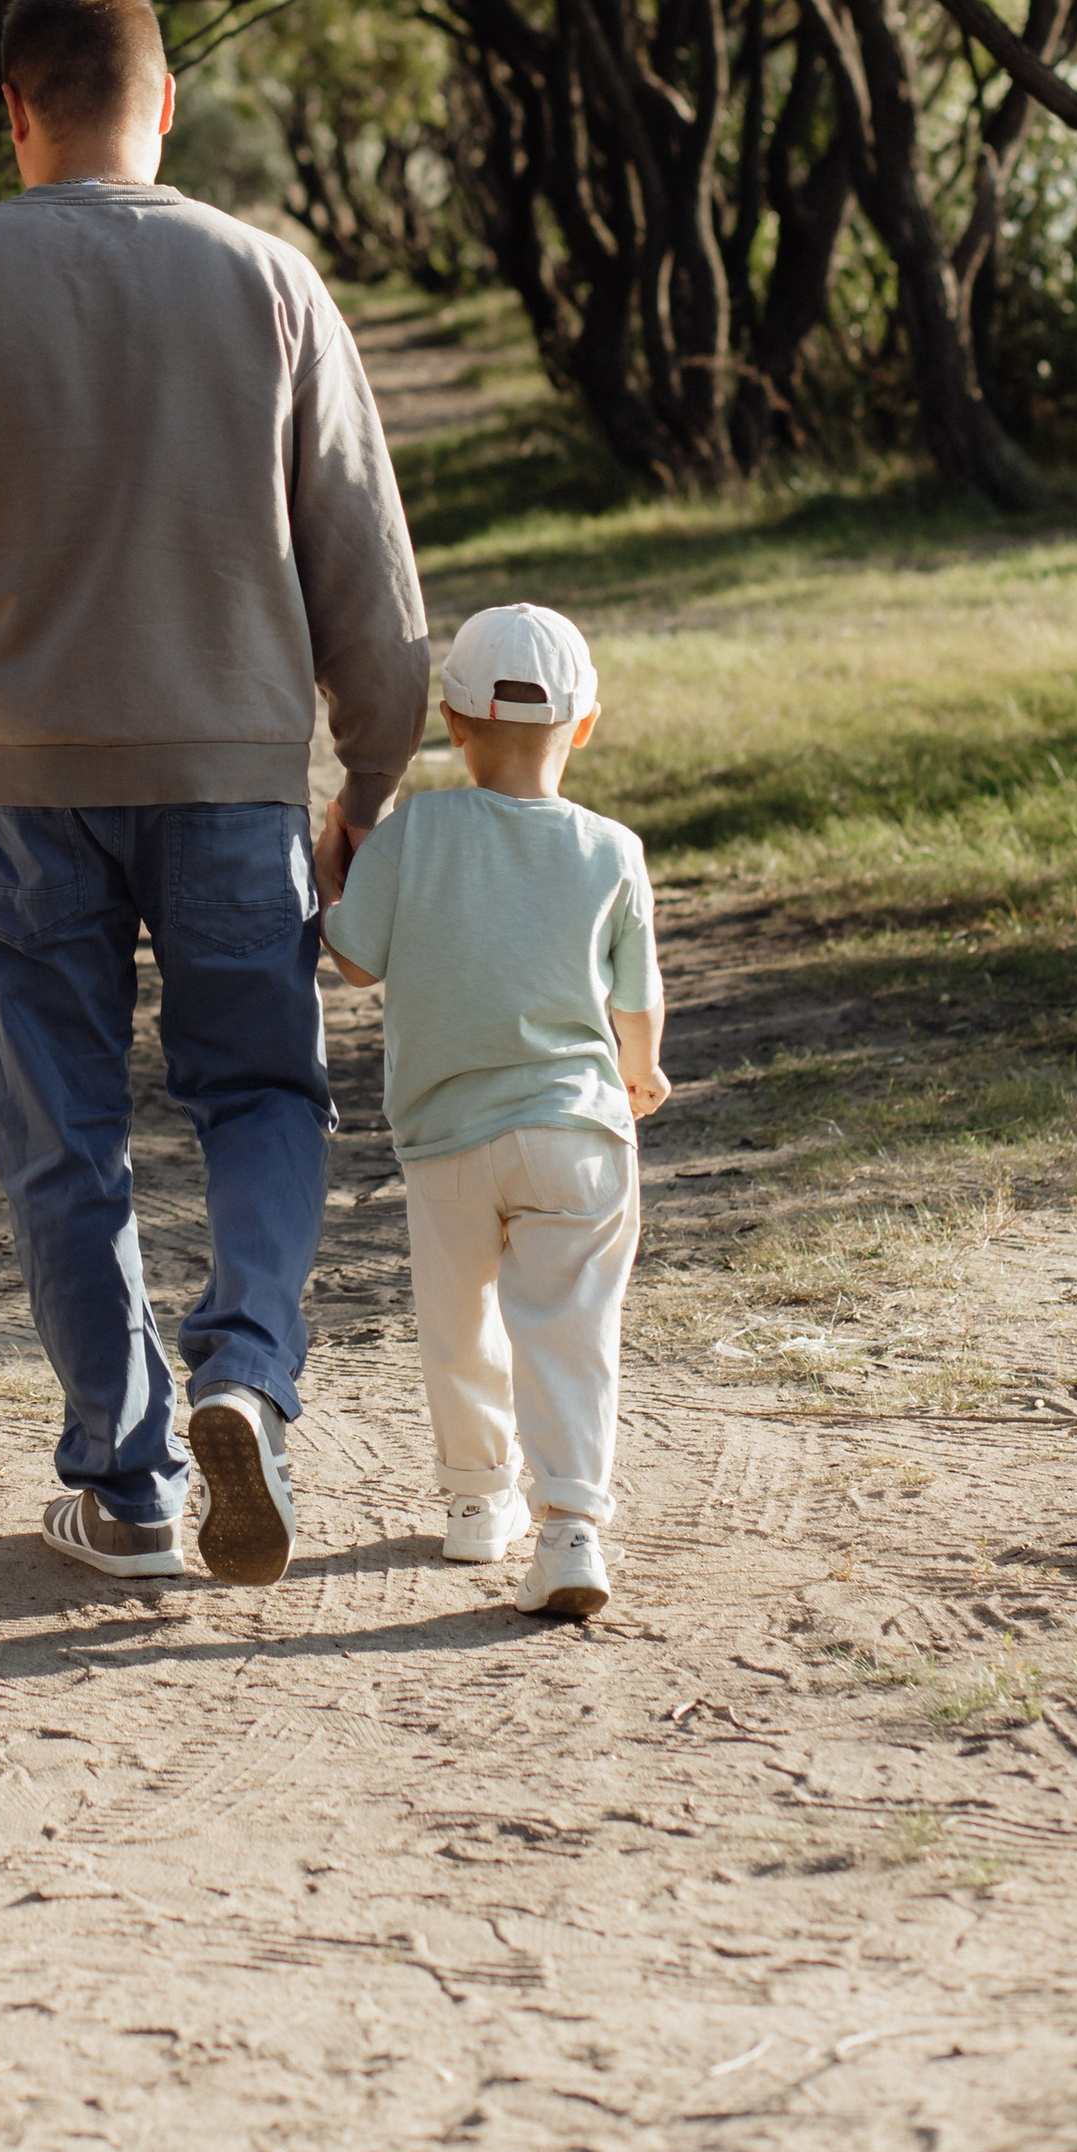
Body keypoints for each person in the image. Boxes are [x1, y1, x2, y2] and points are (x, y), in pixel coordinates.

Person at [0, 0, 430, 1589]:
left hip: (24, 784)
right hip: (232, 775)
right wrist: (370, 782)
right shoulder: (269, 278)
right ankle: (248, 1378)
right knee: (264, 1092)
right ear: (167, 103)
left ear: (13, 112)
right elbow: (367, 563)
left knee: (63, 1127)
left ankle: (124, 1485)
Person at [321, 601, 669, 1622]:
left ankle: (477, 1506)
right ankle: (568, 1527)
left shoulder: (417, 831)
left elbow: (353, 962)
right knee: (569, 1327)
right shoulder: (611, 849)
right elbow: (634, 999)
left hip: (446, 1141)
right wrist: (640, 1072)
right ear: (587, 726)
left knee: (457, 1322)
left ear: (452, 724)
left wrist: (337, 871)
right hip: (577, 1132)